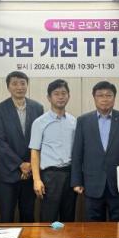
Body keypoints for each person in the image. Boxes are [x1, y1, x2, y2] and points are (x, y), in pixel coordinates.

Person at [71, 81, 119, 221]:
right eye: (100, 95)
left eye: (109, 95)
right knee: (94, 227)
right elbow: (77, 153)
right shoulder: (83, 121)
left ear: (114, 98)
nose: (104, 99)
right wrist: (77, 181)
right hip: (92, 184)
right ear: (94, 98)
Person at [0, 71, 44, 222]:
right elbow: (0, 142)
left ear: (27, 85)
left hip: (31, 172)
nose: (19, 87)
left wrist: (30, 165)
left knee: (28, 215)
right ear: (8, 87)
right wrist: (20, 164)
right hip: (8, 173)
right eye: (14, 84)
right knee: (7, 216)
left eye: (22, 83)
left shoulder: (37, 108)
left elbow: (39, 140)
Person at [30, 79, 78, 222]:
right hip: (50, 176)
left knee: (68, 218)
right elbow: (35, 152)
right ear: (49, 97)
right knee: (48, 218)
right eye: (56, 94)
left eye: (64, 93)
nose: (60, 97)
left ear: (69, 96)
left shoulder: (74, 121)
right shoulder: (39, 122)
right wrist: (36, 180)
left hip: (70, 174)